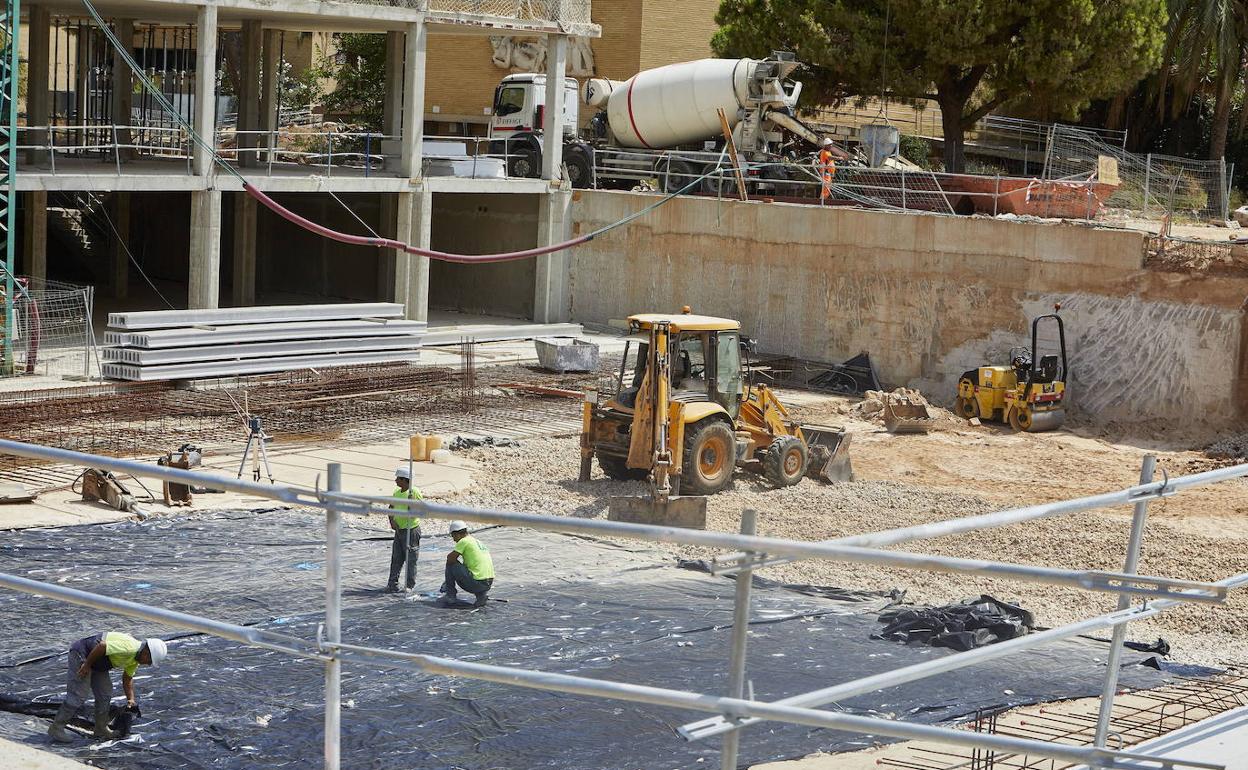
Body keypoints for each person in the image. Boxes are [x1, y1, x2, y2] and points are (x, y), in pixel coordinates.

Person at [48, 632, 167, 743]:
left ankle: (100, 729)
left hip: (99, 661)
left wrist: (131, 699)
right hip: (83, 654)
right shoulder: (130, 648)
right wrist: (87, 665)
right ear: (146, 652)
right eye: (150, 661)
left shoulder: (134, 660)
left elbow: (127, 678)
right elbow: (102, 646)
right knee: (79, 694)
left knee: (105, 694)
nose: (148, 664)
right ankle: (56, 728)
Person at [440, 521, 494, 607]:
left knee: (451, 562)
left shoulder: (464, 541)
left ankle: (450, 595)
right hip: (487, 583)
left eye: (453, 536)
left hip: (476, 583)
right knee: (469, 569)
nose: (454, 539)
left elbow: (450, 558)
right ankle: (481, 596)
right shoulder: (477, 541)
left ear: (458, 534)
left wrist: (448, 581)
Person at [387, 467, 423, 593]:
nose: (396, 481)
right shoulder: (397, 492)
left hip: (411, 530)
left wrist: (411, 509)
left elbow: (419, 511)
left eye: (398, 479)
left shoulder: (414, 493)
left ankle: (409, 586)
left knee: (411, 559)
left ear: (405, 480)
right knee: (396, 558)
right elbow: (391, 507)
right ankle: (392, 584)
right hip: (399, 530)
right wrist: (392, 521)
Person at [818, 138, 837, 203]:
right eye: (830, 145)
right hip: (826, 173)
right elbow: (830, 158)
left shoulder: (828, 152)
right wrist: (839, 158)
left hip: (828, 173)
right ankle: (821, 202)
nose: (831, 146)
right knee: (826, 188)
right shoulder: (825, 152)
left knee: (827, 188)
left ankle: (823, 201)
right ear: (826, 145)